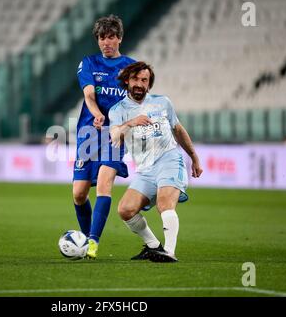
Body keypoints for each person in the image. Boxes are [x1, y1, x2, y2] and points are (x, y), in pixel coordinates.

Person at [109, 61, 203, 262]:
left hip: (169, 159)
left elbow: (177, 129)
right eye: (135, 79)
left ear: (149, 84)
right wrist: (131, 123)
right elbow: (115, 136)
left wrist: (194, 156)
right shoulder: (118, 110)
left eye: (144, 80)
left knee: (164, 204)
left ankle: (169, 252)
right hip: (145, 170)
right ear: (127, 80)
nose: (139, 84)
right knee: (125, 209)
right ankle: (153, 246)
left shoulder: (163, 102)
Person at [73, 15, 135, 259]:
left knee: (103, 184)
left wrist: (124, 127)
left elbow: (136, 103)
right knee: (79, 194)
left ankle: (93, 243)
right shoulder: (88, 63)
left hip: (115, 135)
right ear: (97, 40)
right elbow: (89, 95)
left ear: (119, 38)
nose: (106, 42)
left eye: (111, 37)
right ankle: (86, 238)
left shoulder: (131, 68)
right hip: (88, 133)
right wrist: (98, 114)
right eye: (102, 37)